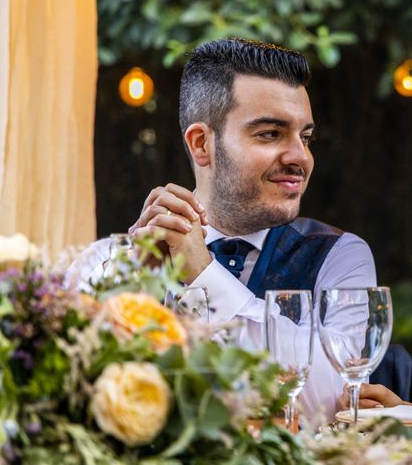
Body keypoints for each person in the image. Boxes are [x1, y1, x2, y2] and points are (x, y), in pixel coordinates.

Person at [70, 38, 377, 422]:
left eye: (306, 137)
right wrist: (131, 285)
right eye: (270, 134)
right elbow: (69, 384)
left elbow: (335, 397)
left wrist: (204, 275)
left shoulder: (340, 256)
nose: (300, 156)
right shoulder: (105, 263)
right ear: (202, 144)